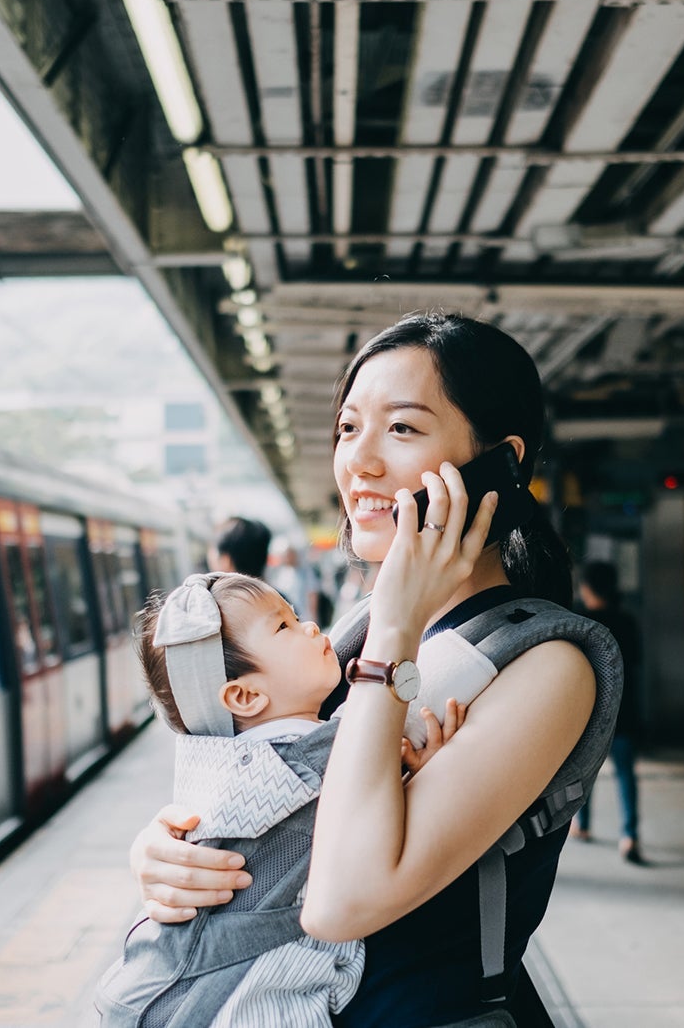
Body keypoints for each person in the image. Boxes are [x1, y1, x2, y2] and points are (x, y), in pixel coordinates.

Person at [130, 312, 625, 1028]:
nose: (358, 462)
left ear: (501, 462)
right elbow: (268, 780)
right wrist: (172, 849)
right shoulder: (353, 631)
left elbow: (340, 902)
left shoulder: (548, 664)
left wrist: (395, 625)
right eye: (347, 428)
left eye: (401, 429)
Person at [95, 571, 466, 1027]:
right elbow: (371, 820)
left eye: (294, 614)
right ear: (245, 695)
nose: (310, 627)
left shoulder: (213, 765)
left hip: (174, 995)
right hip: (241, 1007)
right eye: (284, 627)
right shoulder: (316, 757)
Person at [569, 561, 646, 865]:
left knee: (584, 771)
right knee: (626, 774)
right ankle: (630, 835)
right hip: (624, 711)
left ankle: (583, 825)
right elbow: (636, 665)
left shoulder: (581, 622)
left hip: (589, 713)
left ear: (586, 588)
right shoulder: (627, 621)